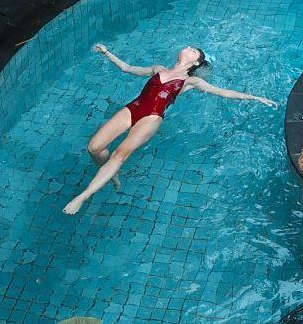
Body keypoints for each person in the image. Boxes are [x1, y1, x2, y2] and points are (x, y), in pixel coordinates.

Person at [62, 44, 277, 214]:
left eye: (193, 50)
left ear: (195, 61)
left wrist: (256, 97)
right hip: (134, 107)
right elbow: (127, 68)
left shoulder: (191, 81)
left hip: (151, 118)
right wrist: (107, 52)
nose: (188, 48)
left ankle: (83, 196)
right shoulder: (158, 69)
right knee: (94, 147)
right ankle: (111, 173)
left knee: (119, 154)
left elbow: (223, 92)